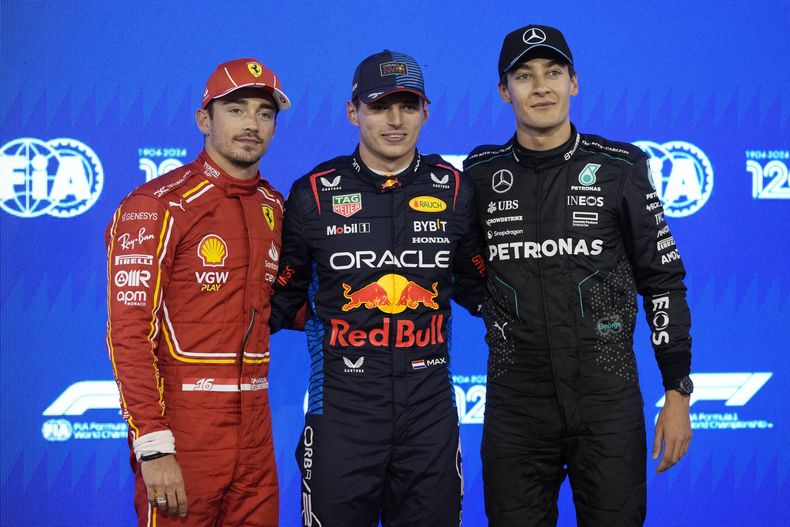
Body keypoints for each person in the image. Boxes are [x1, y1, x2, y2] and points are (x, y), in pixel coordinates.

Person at [464, 25, 693, 526]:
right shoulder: (479, 175)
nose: (540, 87)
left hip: (606, 400)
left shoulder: (620, 167)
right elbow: (462, 266)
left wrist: (677, 390)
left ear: (574, 82)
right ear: (504, 91)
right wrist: (497, 308)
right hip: (516, 404)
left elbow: (662, 280)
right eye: (524, 76)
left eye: (553, 72)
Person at [270, 50, 485, 527]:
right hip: (342, 415)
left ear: (426, 112)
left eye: (408, 106)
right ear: (353, 112)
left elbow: (481, 289)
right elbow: (280, 302)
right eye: (380, 106)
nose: (395, 120)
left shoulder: (455, 190)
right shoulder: (313, 194)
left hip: (429, 416)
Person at [105, 57, 290, 526]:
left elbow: (286, 305)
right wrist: (152, 445)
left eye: (264, 113)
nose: (252, 124)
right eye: (236, 110)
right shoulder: (156, 205)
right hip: (184, 431)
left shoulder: (274, 206)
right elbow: (129, 333)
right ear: (204, 120)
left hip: (256, 432)